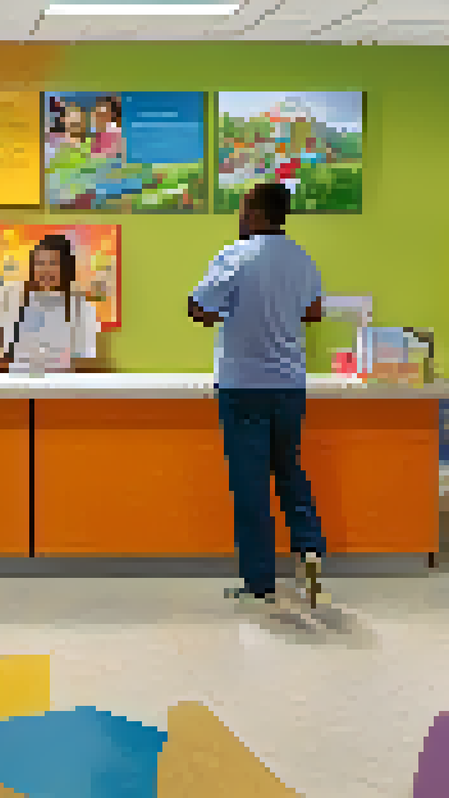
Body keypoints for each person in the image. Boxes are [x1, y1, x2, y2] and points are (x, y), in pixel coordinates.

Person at [187, 182, 328, 608]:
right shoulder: (302, 259)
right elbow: (315, 311)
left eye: (245, 208)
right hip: (289, 386)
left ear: (257, 213)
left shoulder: (235, 255)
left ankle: (260, 583)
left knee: (250, 485)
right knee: (288, 469)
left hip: (243, 385)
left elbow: (197, 307)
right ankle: (309, 547)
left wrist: (230, 311)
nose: (241, 216)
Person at [0, 234, 102, 375]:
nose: (45, 270)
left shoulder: (81, 307)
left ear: (66, 267)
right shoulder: (14, 296)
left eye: (53, 264)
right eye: (40, 263)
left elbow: (85, 358)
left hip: (60, 385)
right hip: (18, 382)